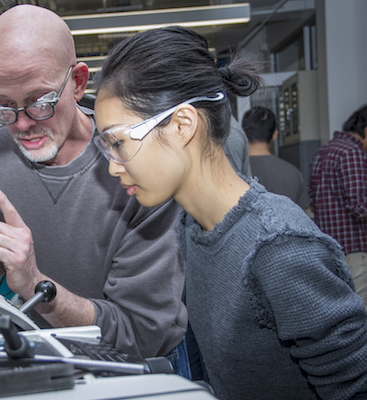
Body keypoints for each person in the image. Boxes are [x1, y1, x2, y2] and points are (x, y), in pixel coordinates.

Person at [93, 26, 367, 399]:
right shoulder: (193, 226)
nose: (112, 166)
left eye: (118, 142)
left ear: (182, 125)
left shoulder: (278, 247)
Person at [0, 5, 188, 363]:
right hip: (36, 354)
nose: (22, 124)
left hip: (135, 364)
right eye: (3, 105)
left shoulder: (137, 165)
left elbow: (140, 333)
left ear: (77, 82)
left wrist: (33, 283)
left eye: (40, 102)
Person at [309, 105, 367, 309]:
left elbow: (313, 204)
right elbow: (359, 207)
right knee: (361, 311)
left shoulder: (323, 151)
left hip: (329, 249)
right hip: (353, 250)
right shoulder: (352, 152)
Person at [242, 106, 311, 209]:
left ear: (243, 134)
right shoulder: (293, 173)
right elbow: (301, 218)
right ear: (275, 135)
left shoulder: (236, 171)